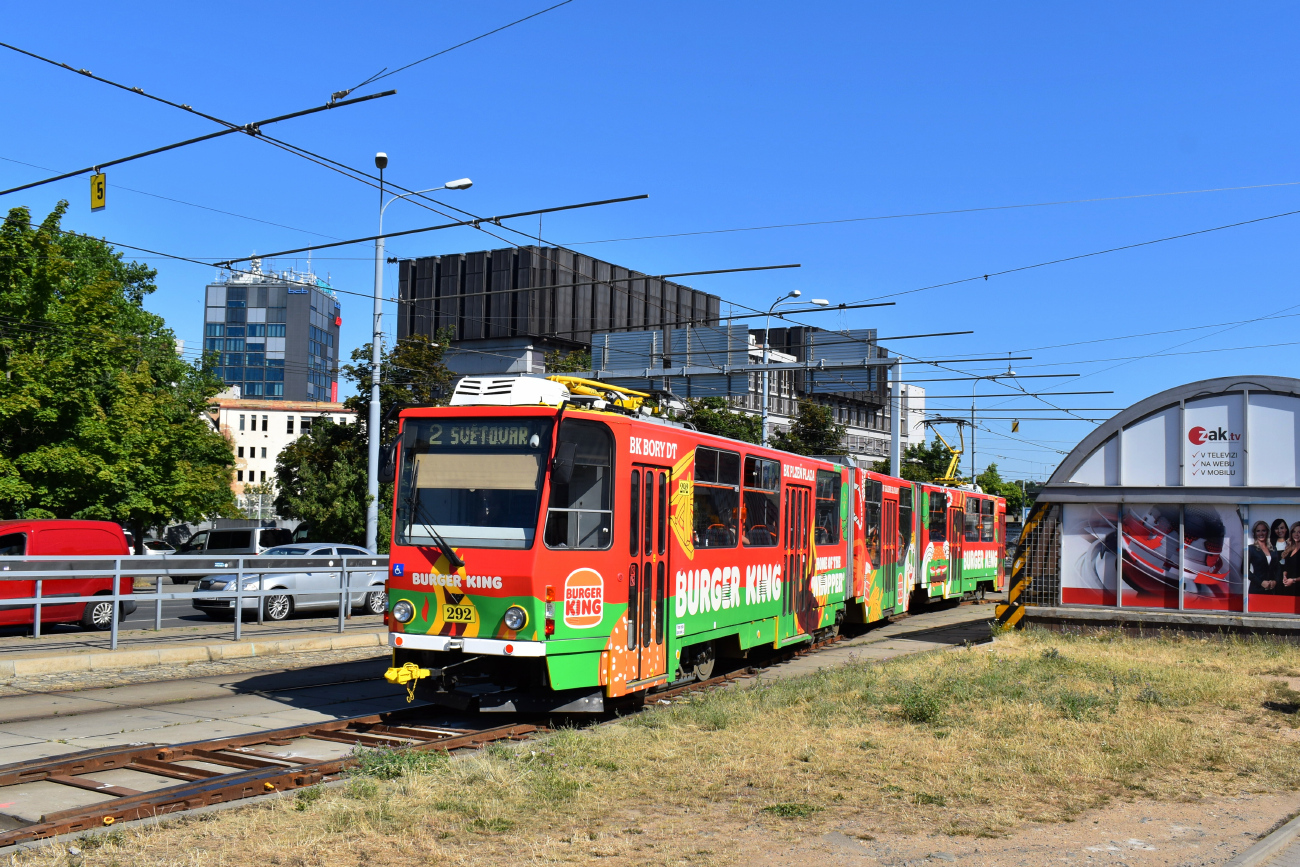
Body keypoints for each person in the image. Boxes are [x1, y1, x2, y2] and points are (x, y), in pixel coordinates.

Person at [1249, 521, 1277, 594]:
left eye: (1263, 530)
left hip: (1271, 590)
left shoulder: (1273, 549)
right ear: (1255, 533)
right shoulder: (1251, 549)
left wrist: (1275, 581)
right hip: (1256, 589)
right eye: (1258, 531)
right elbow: (1244, 570)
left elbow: (1278, 568)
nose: (1261, 533)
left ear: (1267, 532)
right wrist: (1261, 582)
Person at [1283, 522, 1300, 595]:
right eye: (1294, 531)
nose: (1296, 534)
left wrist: (1293, 580)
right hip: (1288, 588)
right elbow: (1286, 567)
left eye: (1299, 532)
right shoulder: (1290, 549)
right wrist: (1284, 576)